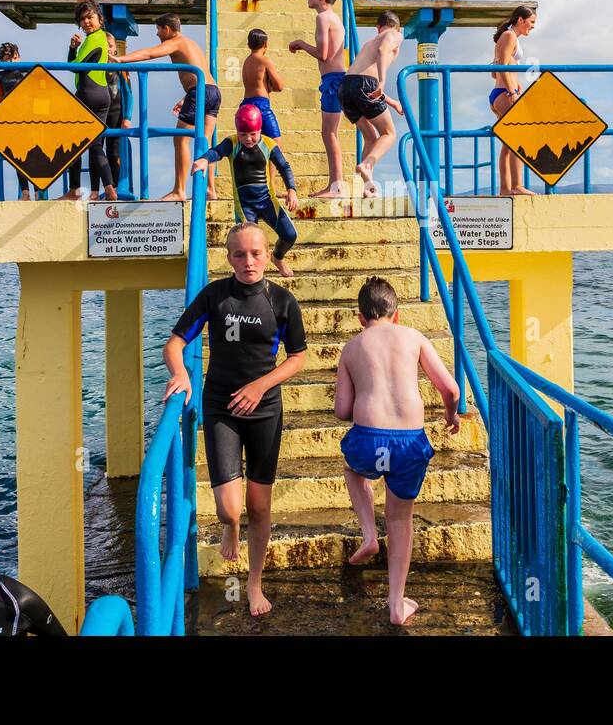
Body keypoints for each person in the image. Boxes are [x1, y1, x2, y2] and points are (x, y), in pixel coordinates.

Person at [163, 223, 308, 616]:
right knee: (230, 508)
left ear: (268, 255)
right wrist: (180, 374)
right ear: (228, 257)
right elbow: (175, 343)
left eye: (256, 253)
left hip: (264, 411)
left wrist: (261, 386)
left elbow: (297, 357)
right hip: (221, 408)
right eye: (239, 254)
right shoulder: (214, 295)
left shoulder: (282, 301)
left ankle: (254, 584)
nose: (248, 262)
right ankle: (229, 526)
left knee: (259, 506)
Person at [335, 276, 461, 626]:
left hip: (369, 440)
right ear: (398, 314)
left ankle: (370, 535)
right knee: (400, 518)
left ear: (360, 317)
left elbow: (342, 411)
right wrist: (451, 417)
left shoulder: (353, 346)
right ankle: (395, 604)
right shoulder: (414, 338)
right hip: (408, 441)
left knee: (353, 470)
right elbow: (450, 389)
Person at [111, 13, 219, 201]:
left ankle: (179, 190)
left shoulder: (176, 42)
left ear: (167, 29)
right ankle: (210, 189)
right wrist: (187, 97)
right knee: (205, 142)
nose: (157, 35)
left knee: (181, 141)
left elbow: (149, 53)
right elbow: (199, 72)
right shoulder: (190, 42)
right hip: (212, 91)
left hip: (199, 93)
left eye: (158, 30)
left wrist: (122, 60)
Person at [192, 107, 299, 277]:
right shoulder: (232, 143)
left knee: (290, 235)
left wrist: (291, 190)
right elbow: (217, 152)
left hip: (266, 200)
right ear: (237, 131)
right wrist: (205, 159)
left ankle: (277, 258)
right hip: (244, 204)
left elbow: (284, 167)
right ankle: (255, 275)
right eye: (243, 134)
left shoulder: (268, 144)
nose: (248, 139)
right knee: (248, 243)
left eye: (253, 134)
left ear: (260, 130)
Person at [289, 0, 348, 198]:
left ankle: (337, 186)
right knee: (330, 133)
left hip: (333, 80)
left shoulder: (323, 18)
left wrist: (301, 44)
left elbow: (324, 55)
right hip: (334, 79)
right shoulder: (335, 18)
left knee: (329, 133)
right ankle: (335, 184)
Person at [339, 11, 405, 197]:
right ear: (397, 27)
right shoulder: (394, 34)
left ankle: (366, 187)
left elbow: (365, 86)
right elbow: (382, 52)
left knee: (370, 137)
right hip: (364, 84)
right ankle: (367, 165)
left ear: (377, 27)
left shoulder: (369, 42)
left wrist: (392, 103)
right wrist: (383, 81)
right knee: (389, 133)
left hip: (345, 88)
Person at [60, 0, 118, 201]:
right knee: (95, 144)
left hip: (88, 93)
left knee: (71, 142)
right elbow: (74, 63)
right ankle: (109, 188)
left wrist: (75, 53)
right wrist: (73, 48)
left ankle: (74, 190)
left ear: (99, 19)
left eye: (90, 17)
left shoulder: (95, 38)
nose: (86, 22)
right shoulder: (93, 39)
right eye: (82, 19)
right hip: (102, 95)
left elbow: (76, 67)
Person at [488, 6, 538, 196]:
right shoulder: (509, 36)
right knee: (518, 139)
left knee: (509, 143)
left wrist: (515, 84)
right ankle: (516, 186)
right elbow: (500, 67)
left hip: (500, 92)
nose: (532, 27)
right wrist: (512, 92)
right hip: (504, 94)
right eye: (531, 22)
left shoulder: (508, 36)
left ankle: (505, 188)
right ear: (520, 20)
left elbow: (494, 71)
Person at [0, 42, 42, 201]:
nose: (9, 62)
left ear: (18, 57)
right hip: (12, 120)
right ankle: (25, 193)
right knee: (18, 156)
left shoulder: (28, 71)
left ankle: (38, 192)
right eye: (5, 59)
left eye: (12, 58)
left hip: (32, 119)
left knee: (35, 155)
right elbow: (0, 98)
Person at [239, 29, 285, 139]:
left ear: (249, 44)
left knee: (254, 144)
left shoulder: (246, 61)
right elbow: (279, 87)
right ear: (265, 44)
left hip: (246, 105)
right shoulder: (265, 60)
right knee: (275, 144)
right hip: (261, 105)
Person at [106, 46, 133, 194]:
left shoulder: (121, 68)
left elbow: (128, 94)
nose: (108, 49)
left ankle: (115, 186)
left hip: (116, 113)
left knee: (114, 152)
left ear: (115, 49)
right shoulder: (95, 65)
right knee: (96, 150)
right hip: (100, 113)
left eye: (110, 45)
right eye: (105, 45)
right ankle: (103, 187)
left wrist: (127, 117)